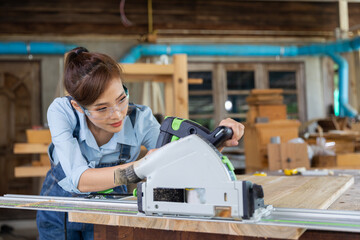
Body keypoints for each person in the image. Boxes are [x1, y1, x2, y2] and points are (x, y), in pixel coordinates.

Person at [36, 47, 245, 240]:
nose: (117, 114)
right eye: (101, 108)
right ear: (78, 106)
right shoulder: (62, 111)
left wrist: (217, 139)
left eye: (121, 98)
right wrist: (140, 168)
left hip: (113, 205)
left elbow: (178, 158)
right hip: (61, 207)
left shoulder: (140, 118)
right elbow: (79, 179)